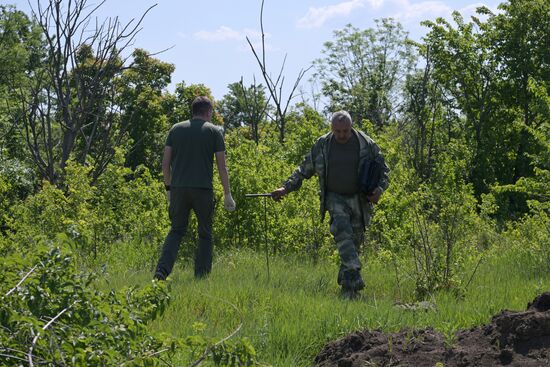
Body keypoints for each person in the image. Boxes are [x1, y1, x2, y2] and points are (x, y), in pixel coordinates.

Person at [271, 111, 389, 299]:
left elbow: (383, 169)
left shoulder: (366, 144)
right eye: (338, 131)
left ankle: (348, 291)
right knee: (342, 232)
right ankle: (355, 274)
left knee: (353, 243)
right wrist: (286, 188)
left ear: (352, 127)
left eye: (345, 131)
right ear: (331, 128)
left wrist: (380, 190)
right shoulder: (322, 145)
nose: (342, 135)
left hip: (359, 200)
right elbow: (304, 169)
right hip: (334, 197)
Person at [154, 96, 236, 281]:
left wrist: (168, 189)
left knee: (176, 231)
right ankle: (201, 276)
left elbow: (165, 164)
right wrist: (227, 194)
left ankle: (161, 272)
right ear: (208, 112)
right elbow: (222, 167)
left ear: (193, 111)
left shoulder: (176, 129)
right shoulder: (214, 132)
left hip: (179, 190)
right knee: (205, 233)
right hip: (203, 190)